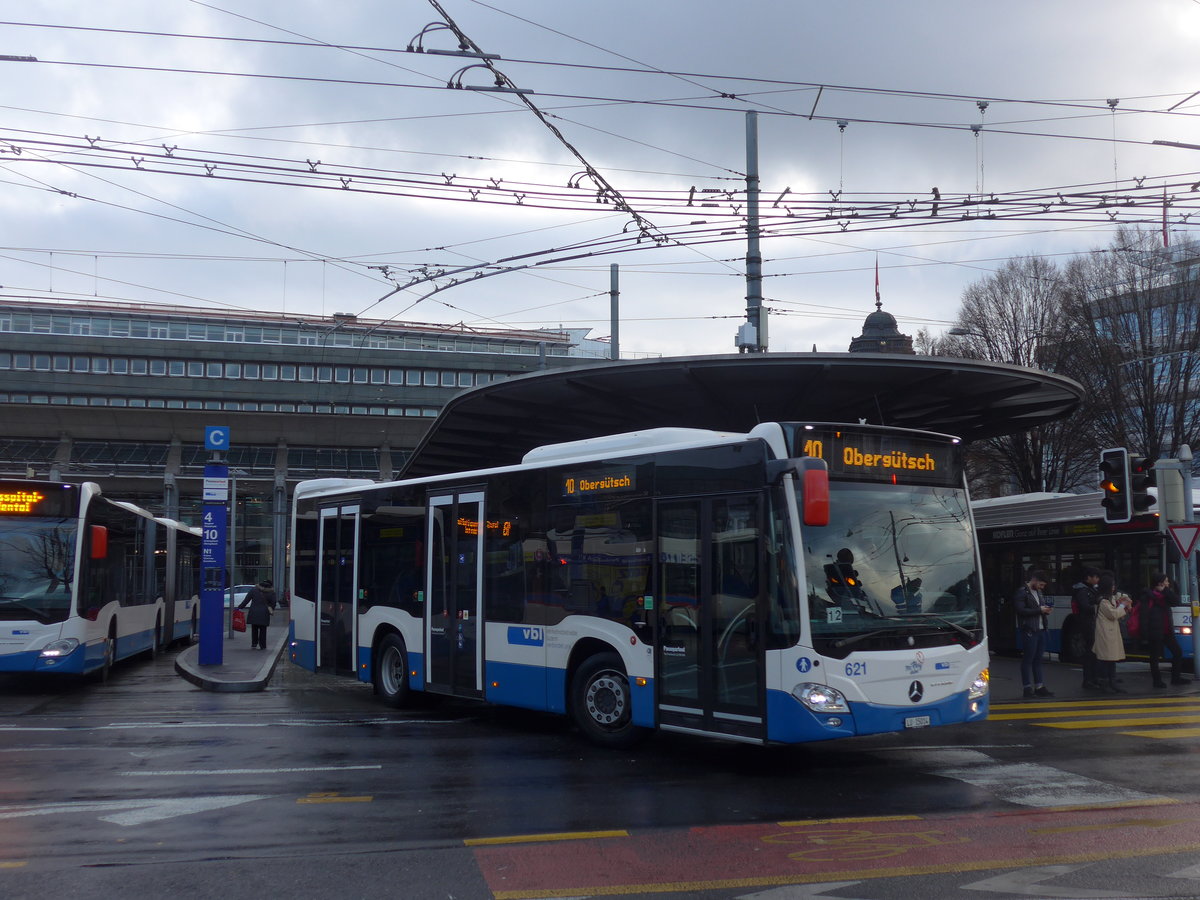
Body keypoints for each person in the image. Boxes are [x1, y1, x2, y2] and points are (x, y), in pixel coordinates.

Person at [1139, 573, 1191, 688]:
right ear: (1160, 583)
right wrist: (1145, 633)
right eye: (1166, 581)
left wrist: (1166, 590)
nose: (1168, 583)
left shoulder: (1166, 595)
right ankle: (1157, 681)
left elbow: (1176, 602)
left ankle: (1176, 678)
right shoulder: (1147, 596)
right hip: (1154, 631)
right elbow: (1143, 615)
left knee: (1177, 652)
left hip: (1167, 630)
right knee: (1155, 657)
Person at [1013, 569, 1054, 698]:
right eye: (1041, 585)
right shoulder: (1022, 592)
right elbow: (1020, 610)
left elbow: (1037, 609)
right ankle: (1027, 688)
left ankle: (1039, 686)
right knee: (1028, 659)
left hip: (1040, 629)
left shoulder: (1038, 592)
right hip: (1030, 629)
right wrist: (1039, 610)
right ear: (1034, 580)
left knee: (1038, 659)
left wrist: (1045, 610)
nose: (1041, 588)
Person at [1093, 573, 1130, 693]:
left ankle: (1111, 682)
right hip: (1105, 633)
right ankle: (1105, 683)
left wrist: (1124, 601)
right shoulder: (1103, 601)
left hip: (1110, 632)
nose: (1114, 587)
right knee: (1106, 659)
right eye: (1112, 585)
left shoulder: (1109, 598)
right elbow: (1113, 614)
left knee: (1111, 659)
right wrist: (1123, 606)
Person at [1070, 567, 1102, 691]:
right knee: (1090, 652)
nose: (1097, 580)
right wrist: (1098, 605)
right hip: (1087, 623)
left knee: (1092, 652)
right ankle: (1088, 679)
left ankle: (1093, 678)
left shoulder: (1089, 589)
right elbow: (1085, 607)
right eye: (1096, 577)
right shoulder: (1083, 590)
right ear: (1088, 577)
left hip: (1089, 623)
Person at [238, 579, 277, 650]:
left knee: (254, 628)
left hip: (254, 612)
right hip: (264, 613)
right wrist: (271, 609)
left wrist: (239, 607)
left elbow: (246, 600)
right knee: (263, 629)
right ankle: (262, 645)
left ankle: (254, 643)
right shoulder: (271, 592)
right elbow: (273, 603)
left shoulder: (254, 590)